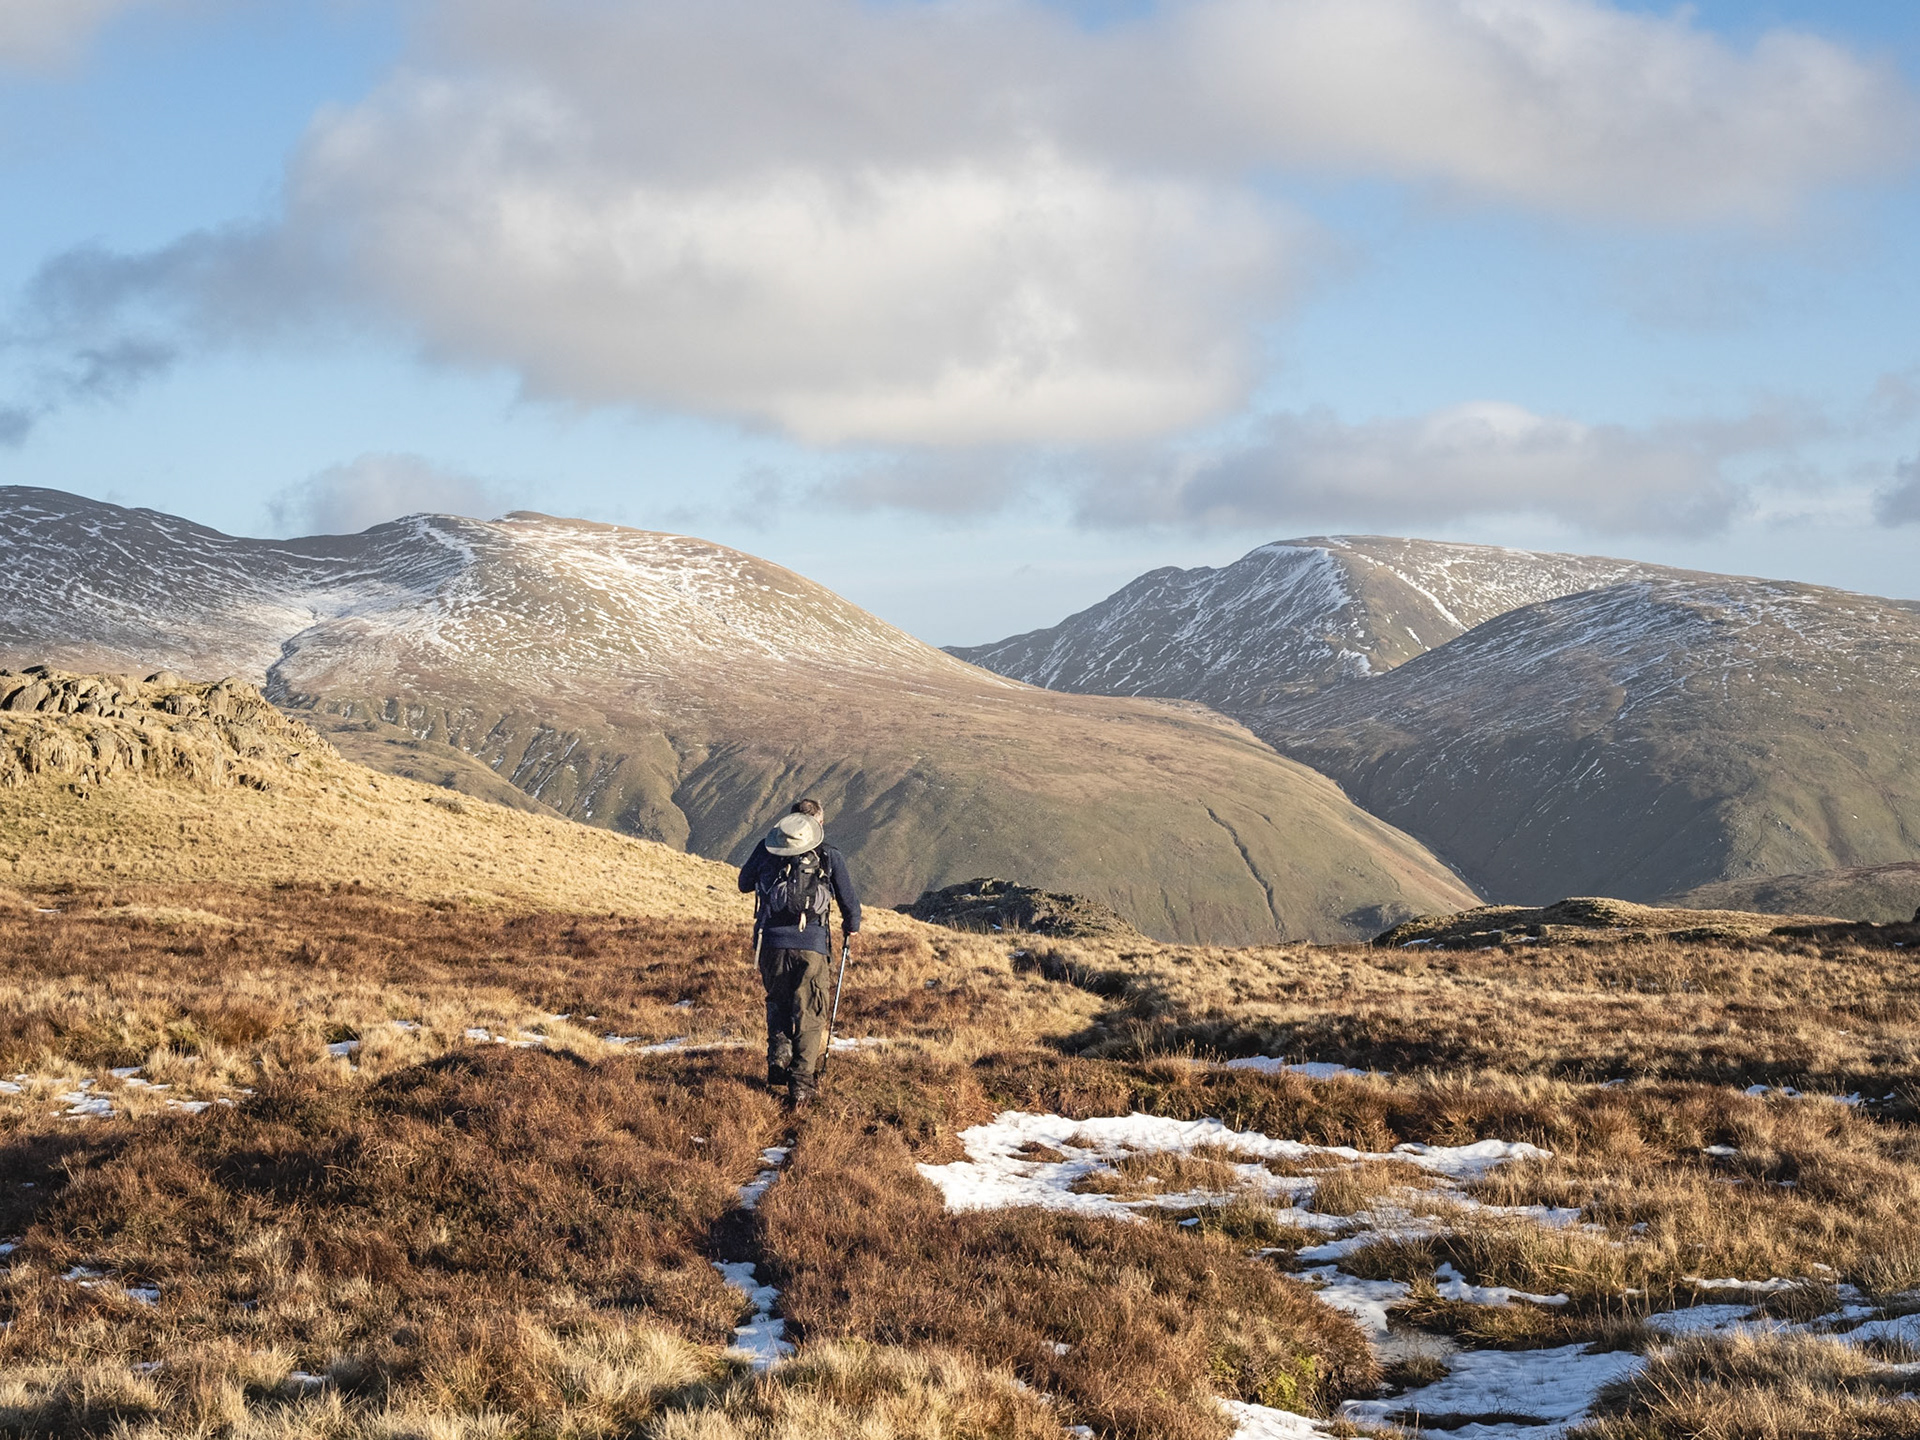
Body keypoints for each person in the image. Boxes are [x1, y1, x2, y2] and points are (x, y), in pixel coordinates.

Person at [737, 799, 861, 1109]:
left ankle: (779, 1056)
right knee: (810, 1011)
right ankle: (802, 1084)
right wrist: (851, 926)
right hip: (812, 946)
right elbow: (850, 903)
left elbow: (743, 884)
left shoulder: (766, 848)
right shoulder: (828, 854)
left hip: (771, 944)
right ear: (819, 823)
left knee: (778, 1001)